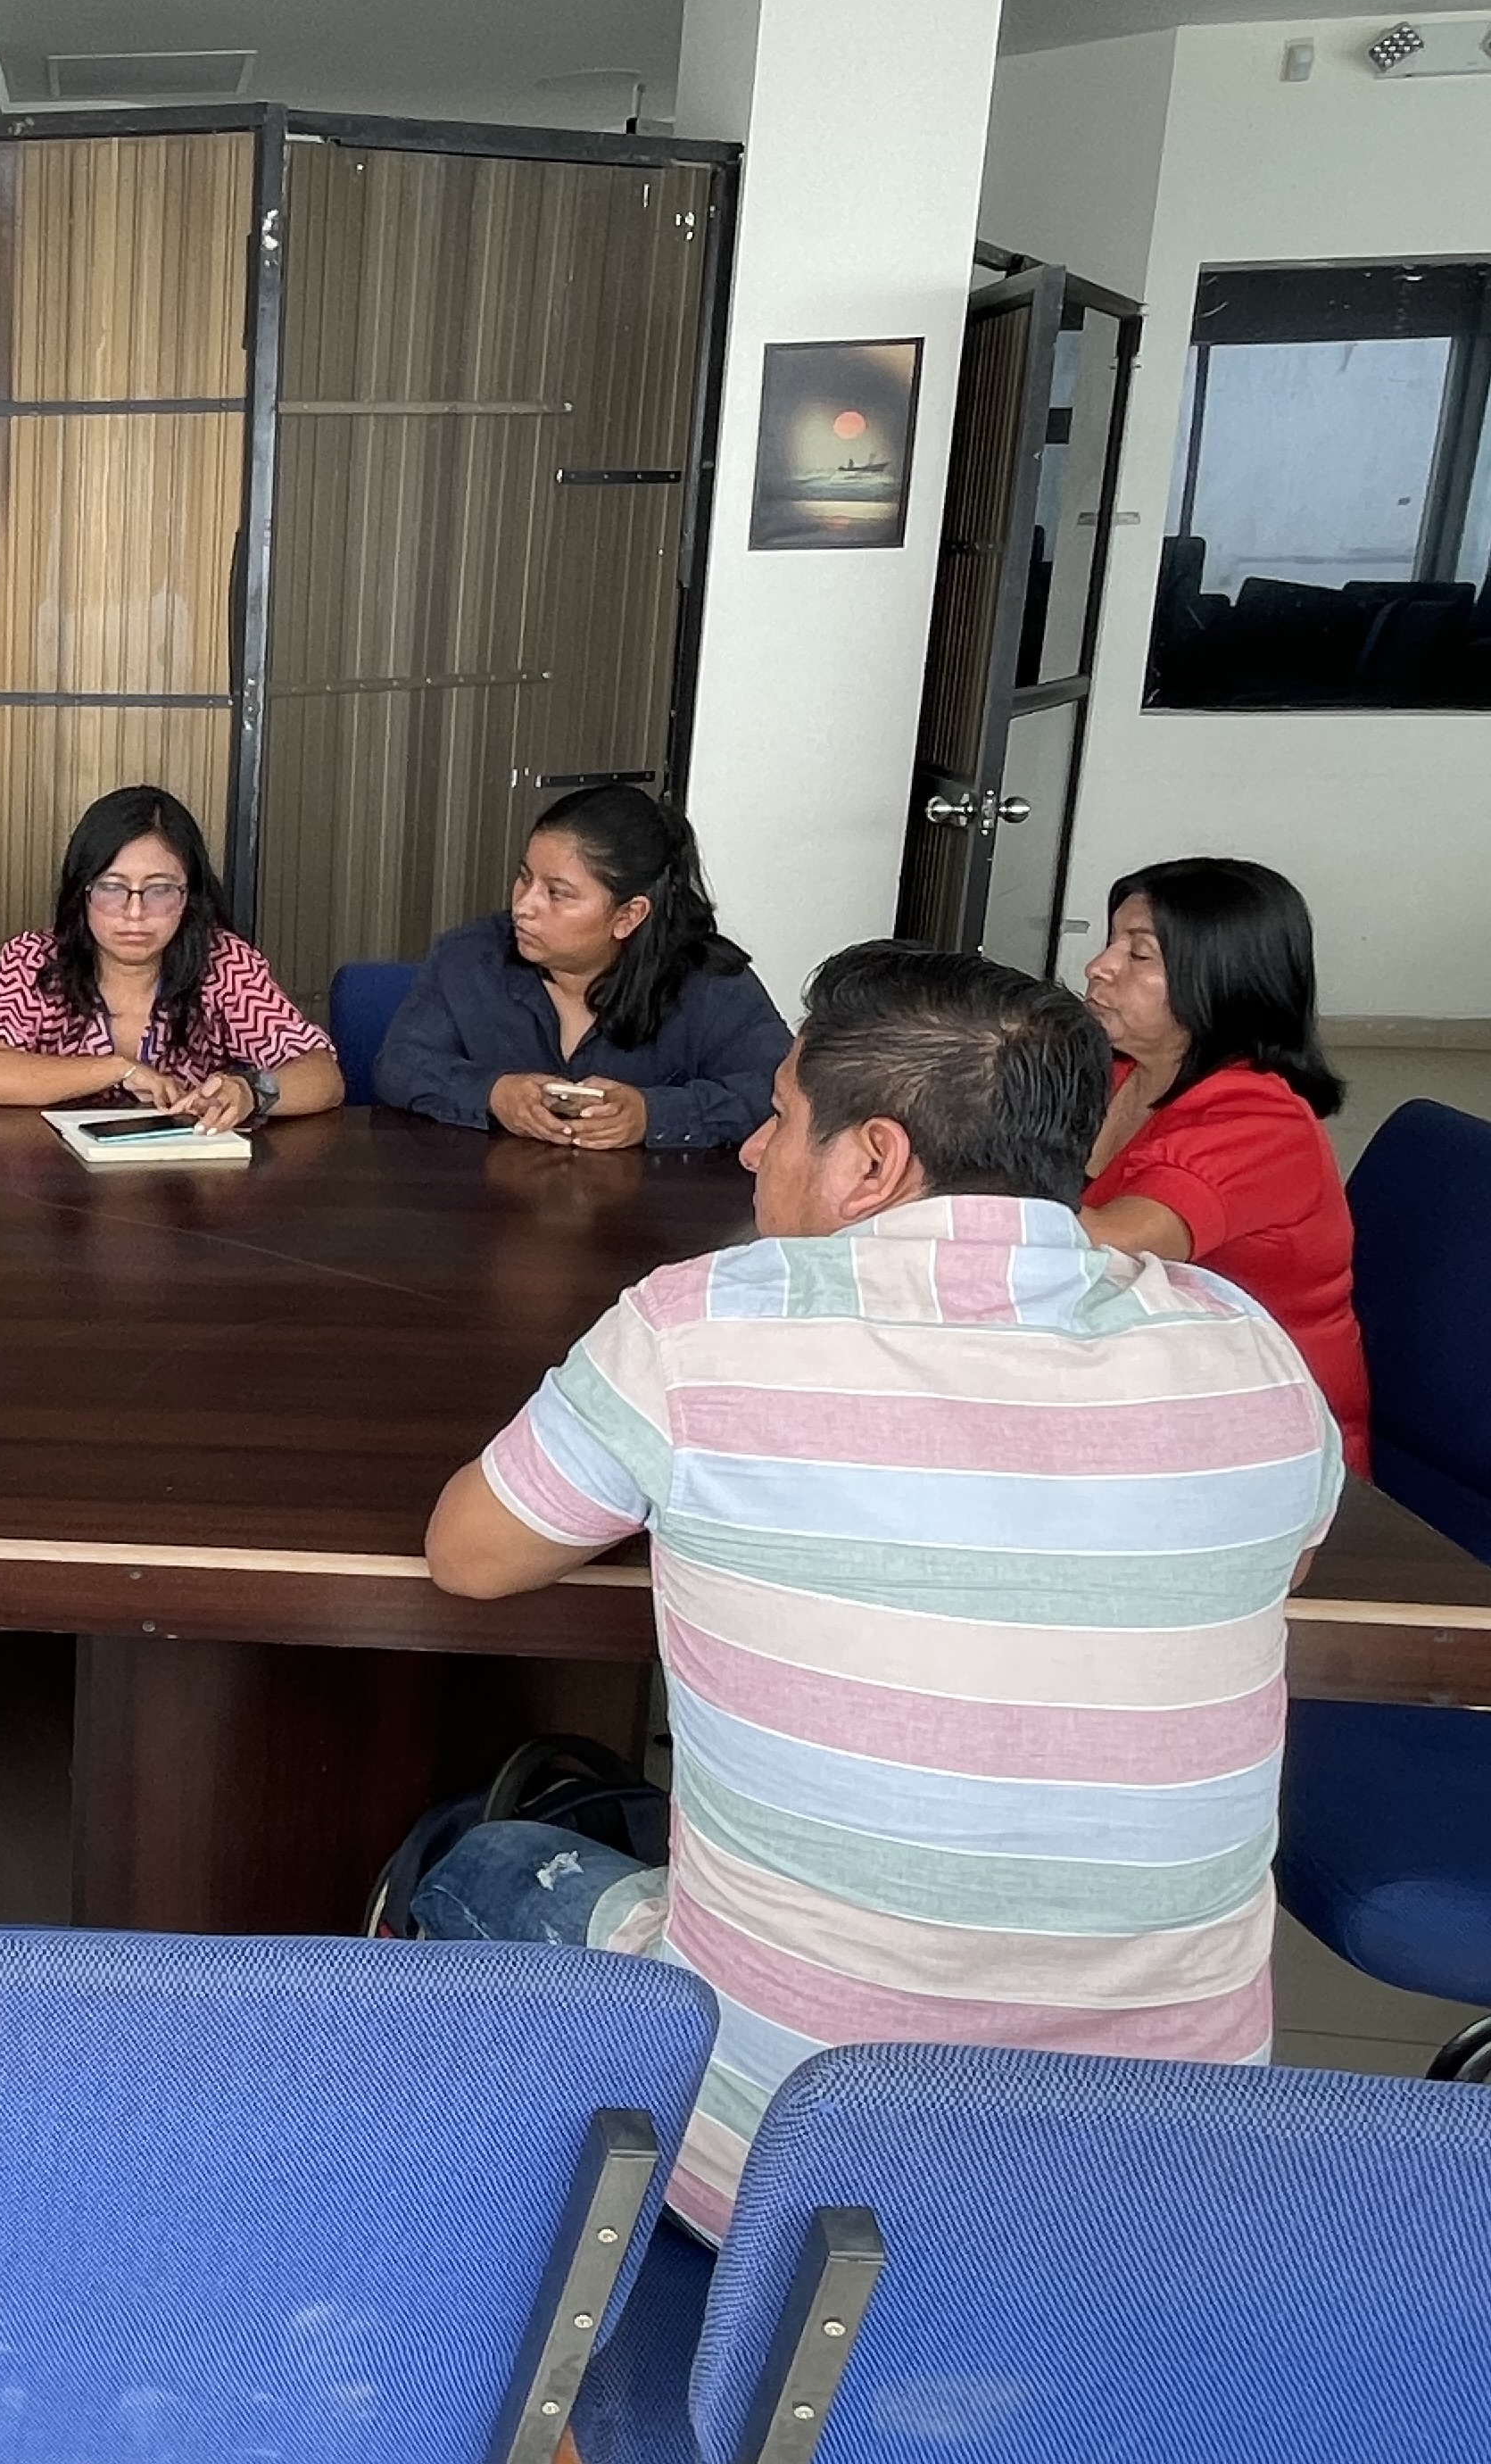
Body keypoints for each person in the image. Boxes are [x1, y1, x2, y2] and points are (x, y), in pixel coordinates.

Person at [415, 943, 1341, 2244]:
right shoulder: (1242, 1346)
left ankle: (491, 2259)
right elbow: (1282, 1560)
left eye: (781, 1118)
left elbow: (470, 1555)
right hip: (1173, 2178)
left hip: (802, 2162)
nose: (753, 1151)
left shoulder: (703, 1328)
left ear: (874, 1161)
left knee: (483, 1858)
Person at [1081, 857, 1371, 1471]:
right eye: (1110, 942)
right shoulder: (1118, 1074)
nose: (1099, 967)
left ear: (1222, 978)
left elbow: (1102, 1247)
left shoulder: (1261, 1123)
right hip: (1153, 1383)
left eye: (1139, 954)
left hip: (1271, 1447)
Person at [373, 783, 788, 1150]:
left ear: (628, 916)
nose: (523, 906)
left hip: (652, 1208)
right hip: (493, 1201)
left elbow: (779, 1090)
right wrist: (493, 1094)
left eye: (557, 893)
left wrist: (652, 1114)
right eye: (524, 878)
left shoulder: (711, 983)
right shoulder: (470, 957)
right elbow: (399, 1065)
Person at [0, 784, 341, 1131]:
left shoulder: (223, 964)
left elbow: (322, 1074)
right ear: (82, 891)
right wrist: (119, 1070)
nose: (134, 913)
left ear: (189, 896)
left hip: (184, 1179)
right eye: (112, 887)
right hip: (54, 1175)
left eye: (159, 890)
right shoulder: (35, 960)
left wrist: (250, 1092)